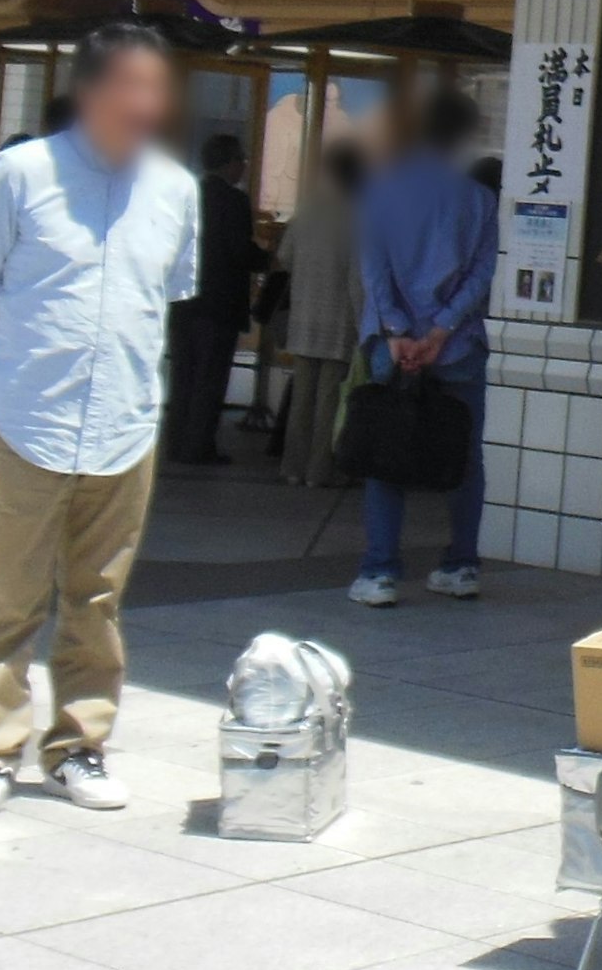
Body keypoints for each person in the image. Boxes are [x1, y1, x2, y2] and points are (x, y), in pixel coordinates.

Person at [0, 22, 199, 831]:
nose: (149, 104)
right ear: (92, 90)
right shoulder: (21, 173)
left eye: (157, 88)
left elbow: (161, 304)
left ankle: (80, 743)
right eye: (133, 85)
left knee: (97, 596)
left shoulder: (175, 189)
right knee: (12, 593)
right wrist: (5, 371)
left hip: (124, 420)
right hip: (28, 417)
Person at [350, 90, 498, 605]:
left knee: (385, 453)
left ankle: (380, 573)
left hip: (391, 348)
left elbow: (374, 268)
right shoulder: (479, 199)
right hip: (458, 349)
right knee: (464, 457)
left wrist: (397, 332)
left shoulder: (380, 191)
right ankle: (460, 565)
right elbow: (481, 275)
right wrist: (440, 331)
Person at [274, 138, 370, 485]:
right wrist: (365, 325)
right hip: (340, 321)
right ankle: (319, 470)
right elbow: (360, 277)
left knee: (302, 396)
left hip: (304, 317)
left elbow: (284, 257)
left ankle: (292, 467)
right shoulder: (359, 214)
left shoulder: (309, 208)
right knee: (330, 399)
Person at [166, 134, 259, 466]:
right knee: (210, 378)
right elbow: (239, 251)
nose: (244, 167)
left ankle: (174, 443)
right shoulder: (233, 201)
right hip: (219, 305)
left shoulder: (186, 195)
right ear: (230, 163)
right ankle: (199, 446)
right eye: (242, 161)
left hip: (182, 301)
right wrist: (266, 260)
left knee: (183, 376)